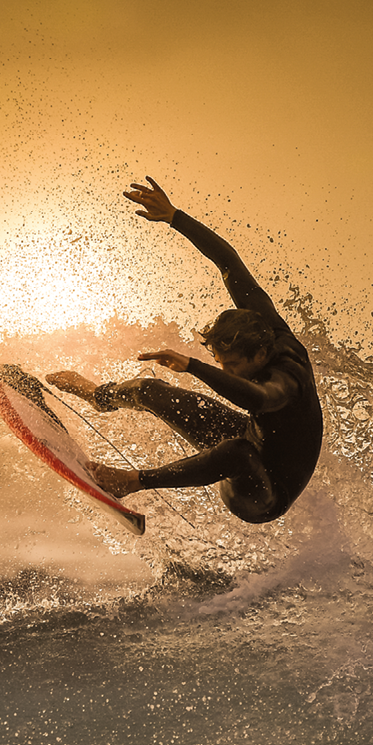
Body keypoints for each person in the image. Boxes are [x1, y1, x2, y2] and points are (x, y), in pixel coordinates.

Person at [47, 177, 323, 524]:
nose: (227, 372)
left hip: (263, 492)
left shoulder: (287, 380)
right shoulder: (266, 323)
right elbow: (229, 263)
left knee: (237, 452)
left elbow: (256, 398)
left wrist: (193, 366)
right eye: (222, 364)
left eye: (234, 366)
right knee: (150, 390)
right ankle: (97, 395)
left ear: (259, 355)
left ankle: (132, 481)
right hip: (250, 437)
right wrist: (175, 217)